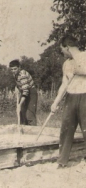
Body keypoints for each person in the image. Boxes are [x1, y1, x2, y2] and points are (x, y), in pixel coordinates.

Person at [50, 35, 86, 168]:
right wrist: (56, 102)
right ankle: (62, 161)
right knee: (66, 129)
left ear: (67, 47)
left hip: (85, 96)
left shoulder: (84, 56)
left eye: (62, 49)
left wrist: (80, 70)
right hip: (71, 97)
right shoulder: (66, 64)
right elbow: (64, 84)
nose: (62, 52)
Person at [9, 60, 38, 126]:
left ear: (19, 67)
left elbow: (26, 91)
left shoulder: (22, 75)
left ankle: (32, 132)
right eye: (12, 69)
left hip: (31, 93)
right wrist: (17, 87)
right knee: (22, 112)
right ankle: (23, 131)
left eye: (15, 69)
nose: (13, 71)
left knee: (30, 114)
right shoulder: (15, 75)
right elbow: (20, 84)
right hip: (24, 92)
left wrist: (20, 103)